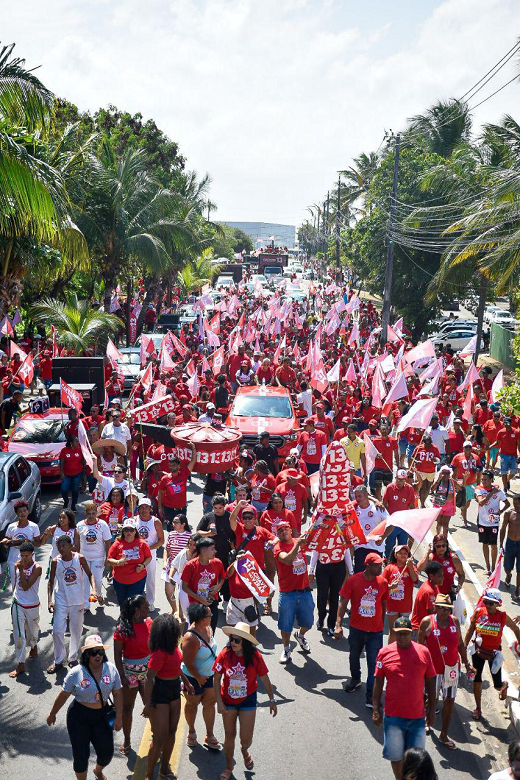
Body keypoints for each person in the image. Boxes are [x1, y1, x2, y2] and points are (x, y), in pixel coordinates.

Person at [46, 634, 123, 780]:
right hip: (79, 717)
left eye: (100, 651)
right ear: (87, 654)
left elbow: (118, 694)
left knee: (106, 753)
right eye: (93, 652)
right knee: (81, 756)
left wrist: (119, 717)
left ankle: (98, 771)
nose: (97, 655)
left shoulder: (111, 669)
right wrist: (52, 714)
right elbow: (63, 695)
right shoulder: (76, 673)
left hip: (102, 716)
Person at [372, 616, 436, 780]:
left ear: (411, 633)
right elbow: (378, 681)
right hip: (393, 717)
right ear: (393, 632)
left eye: (405, 633)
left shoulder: (423, 652)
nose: (402, 637)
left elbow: (430, 681)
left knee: (416, 760)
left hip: (417, 718)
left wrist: (432, 710)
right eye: (399, 633)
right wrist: (375, 709)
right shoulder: (384, 653)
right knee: (396, 757)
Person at [213, 622, 277, 780]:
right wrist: (219, 702)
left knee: (246, 739)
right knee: (229, 736)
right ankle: (228, 766)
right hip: (228, 701)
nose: (233, 643)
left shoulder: (255, 657)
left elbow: (265, 678)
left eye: (237, 640)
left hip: (248, 700)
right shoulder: (225, 653)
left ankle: (244, 750)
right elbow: (216, 678)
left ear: (245, 642)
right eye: (231, 639)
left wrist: (272, 699)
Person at [418, 593, 474, 750]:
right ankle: (427, 720)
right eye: (442, 608)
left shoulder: (454, 621)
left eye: (448, 609)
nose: (445, 611)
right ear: (435, 607)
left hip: (452, 670)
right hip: (433, 671)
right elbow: (419, 647)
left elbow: (460, 644)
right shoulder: (427, 622)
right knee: (432, 699)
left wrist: (467, 664)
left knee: (449, 700)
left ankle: (443, 734)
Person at [142, 614, 194, 780]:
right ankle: (149, 775)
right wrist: (148, 704)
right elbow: (149, 678)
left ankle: (164, 769)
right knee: (159, 737)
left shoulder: (173, 647)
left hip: (174, 690)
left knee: (172, 732)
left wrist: (187, 682)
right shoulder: (159, 653)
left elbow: (177, 667)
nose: (178, 632)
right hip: (161, 692)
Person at [335, 551, 388, 707]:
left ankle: (371, 695)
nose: (380, 568)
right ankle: (356, 678)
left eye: (381, 565)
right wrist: (338, 625)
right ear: (368, 566)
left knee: (374, 664)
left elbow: (384, 603)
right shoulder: (353, 581)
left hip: (375, 632)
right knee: (354, 657)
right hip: (356, 629)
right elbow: (343, 602)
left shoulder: (383, 582)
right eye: (377, 565)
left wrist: (381, 622)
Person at [464, 587, 520, 720]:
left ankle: (504, 685)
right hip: (478, 651)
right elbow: (470, 630)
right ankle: (478, 708)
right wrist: (464, 648)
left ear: (497, 604)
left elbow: (515, 629)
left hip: (494, 654)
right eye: (486, 602)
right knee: (477, 680)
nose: (487, 605)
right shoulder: (479, 612)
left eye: (490, 603)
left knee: (497, 685)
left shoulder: (503, 617)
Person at [47, 535, 95, 674]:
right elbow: (50, 582)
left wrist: (94, 590)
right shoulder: (55, 562)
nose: (61, 549)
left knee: (76, 631)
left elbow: (90, 574)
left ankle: (72, 658)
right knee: (57, 630)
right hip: (61, 600)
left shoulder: (79, 558)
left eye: (64, 546)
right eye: (59, 547)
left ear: (70, 546)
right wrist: (50, 600)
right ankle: (58, 660)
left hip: (77, 600)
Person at [228, 501, 275, 634]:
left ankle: (253, 611)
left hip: (257, 570)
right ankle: (247, 616)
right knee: (244, 593)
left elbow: (274, 538)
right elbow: (231, 519)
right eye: (245, 517)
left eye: (250, 517)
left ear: (255, 518)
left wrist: (272, 542)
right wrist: (239, 506)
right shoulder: (240, 529)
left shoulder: (261, 530)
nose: (247, 520)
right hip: (242, 569)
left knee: (257, 596)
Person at [113, 595, 152, 755]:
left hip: (148, 673)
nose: (149, 610)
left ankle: (156, 737)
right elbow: (117, 655)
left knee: (151, 705)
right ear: (137, 611)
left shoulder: (150, 623)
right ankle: (127, 740)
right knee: (128, 708)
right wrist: (122, 677)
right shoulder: (122, 629)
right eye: (146, 608)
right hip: (129, 674)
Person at [181, 602, 221, 750]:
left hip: (210, 675)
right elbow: (188, 662)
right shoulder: (191, 638)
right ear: (202, 618)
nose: (212, 616)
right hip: (193, 678)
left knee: (210, 704)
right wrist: (198, 677)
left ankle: (209, 735)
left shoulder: (208, 628)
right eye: (210, 615)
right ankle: (191, 732)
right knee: (192, 705)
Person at [273, 521, 314, 663]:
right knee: (286, 624)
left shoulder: (299, 541)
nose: (284, 531)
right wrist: (298, 545)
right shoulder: (278, 548)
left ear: (291, 530)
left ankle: (300, 635)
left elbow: (316, 541)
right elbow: (287, 560)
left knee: (308, 622)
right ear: (278, 534)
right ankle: (286, 649)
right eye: (280, 530)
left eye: (286, 528)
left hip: (304, 590)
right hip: (287, 593)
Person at [308, 515, 348, 636]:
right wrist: (311, 571)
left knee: (335, 597)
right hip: (323, 566)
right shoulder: (322, 526)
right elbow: (315, 550)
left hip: (338, 566)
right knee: (322, 595)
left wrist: (351, 571)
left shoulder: (342, 528)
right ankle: (321, 618)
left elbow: (346, 550)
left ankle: (331, 624)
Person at [9, 541, 42, 678]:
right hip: (18, 604)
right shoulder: (17, 565)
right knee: (19, 635)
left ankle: (33, 646)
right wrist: (14, 597)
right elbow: (16, 584)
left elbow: (26, 586)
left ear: (32, 555)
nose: (24, 558)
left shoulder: (37, 568)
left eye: (27, 556)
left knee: (33, 632)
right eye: (22, 555)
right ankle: (21, 663)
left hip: (32, 605)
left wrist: (21, 570)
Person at [181, 537, 226, 632]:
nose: (215, 551)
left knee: (211, 631)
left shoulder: (217, 563)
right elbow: (184, 587)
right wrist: (200, 598)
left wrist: (219, 586)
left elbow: (222, 577)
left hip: (212, 602)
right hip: (196, 604)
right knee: (197, 632)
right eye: (212, 549)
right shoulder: (190, 566)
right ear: (203, 551)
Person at [107, 519, 152, 606]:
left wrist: (143, 565)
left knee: (133, 605)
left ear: (135, 531)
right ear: (123, 531)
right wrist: (118, 562)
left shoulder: (142, 544)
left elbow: (149, 557)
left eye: (131, 530)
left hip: (138, 580)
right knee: (123, 604)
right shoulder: (117, 544)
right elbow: (109, 560)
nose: (128, 532)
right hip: (120, 580)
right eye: (126, 530)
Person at [76, 501, 112, 609]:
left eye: (93, 513)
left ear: (96, 513)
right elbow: (77, 543)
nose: (91, 516)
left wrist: (107, 558)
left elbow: (108, 542)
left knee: (97, 580)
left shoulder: (103, 525)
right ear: (85, 513)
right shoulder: (80, 525)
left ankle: (99, 595)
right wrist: (77, 557)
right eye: (89, 514)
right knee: (85, 581)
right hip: (84, 558)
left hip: (98, 558)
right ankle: (86, 606)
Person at [475, 469, 509, 575]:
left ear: (491, 480)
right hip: (482, 522)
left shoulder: (499, 491)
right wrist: (492, 493)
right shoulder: (479, 489)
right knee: (485, 544)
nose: (483, 481)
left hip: (493, 522)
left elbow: (507, 503)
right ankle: (488, 567)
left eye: (485, 480)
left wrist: (500, 511)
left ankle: (493, 568)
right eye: (482, 479)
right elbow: (481, 502)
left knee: (493, 545)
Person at [2, 499, 41, 590]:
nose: (22, 513)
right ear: (16, 513)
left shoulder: (34, 527)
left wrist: (28, 542)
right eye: (20, 511)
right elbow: (7, 541)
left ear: (28, 511)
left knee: (28, 585)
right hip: (13, 561)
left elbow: (38, 543)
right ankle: (15, 599)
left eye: (24, 510)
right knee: (15, 584)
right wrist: (5, 541)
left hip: (29, 562)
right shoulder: (11, 527)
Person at [383, 544, 418, 641]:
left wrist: (410, 567)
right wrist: (390, 586)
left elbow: (415, 580)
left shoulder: (411, 567)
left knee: (403, 631)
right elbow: (381, 584)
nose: (403, 555)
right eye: (400, 553)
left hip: (405, 606)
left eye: (405, 553)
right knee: (393, 631)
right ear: (395, 555)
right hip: (392, 605)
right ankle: (391, 649)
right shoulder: (389, 568)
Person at [135, 497, 164, 610]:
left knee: (150, 579)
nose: (144, 510)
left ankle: (150, 602)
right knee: (135, 577)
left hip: (150, 554)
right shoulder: (134, 520)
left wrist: (148, 548)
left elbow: (161, 540)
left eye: (146, 507)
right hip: (136, 553)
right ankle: (136, 602)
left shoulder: (156, 522)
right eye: (141, 507)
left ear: (150, 508)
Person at [351, 484, 387, 573]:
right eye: (356, 496)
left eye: (360, 496)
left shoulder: (378, 508)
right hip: (360, 547)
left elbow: (391, 523)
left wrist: (383, 537)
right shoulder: (354, 508)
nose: (357, 499)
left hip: (376, 547)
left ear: (366, 495)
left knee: (375, 574)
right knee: (360, 574)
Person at [158, 446, 197, 526]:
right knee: (171, 530)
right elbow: (160, 493)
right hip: (169, 510)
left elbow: (193, 461)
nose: (171, 467)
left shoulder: (184, 474)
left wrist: (193, 448)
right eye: (170, 465)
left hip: (182, 509)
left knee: (182, 529)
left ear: (179, 466)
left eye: (173, 465)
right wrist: (160, 507)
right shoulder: (164, 479)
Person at [417, 535, 464, 599]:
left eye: (443, 545)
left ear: (447, 545)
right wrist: (427, 553)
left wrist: (459, 586)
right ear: (434, 546)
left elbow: (461, 574)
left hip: (448, 596)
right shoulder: (431, 557)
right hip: (433, 594)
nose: (441, 548)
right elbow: (419, 568)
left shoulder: (454, 559)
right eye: (438, 546)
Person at [162, 514, 192, 613]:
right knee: (169, 591)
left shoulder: (190, 536)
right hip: (171, 567)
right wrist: (165, 561)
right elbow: (167, 549)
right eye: (173, 522)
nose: (173, 524)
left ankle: (181, 613)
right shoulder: (171, 534)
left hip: (184, 569)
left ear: (183, 524)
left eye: (176, 522)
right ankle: (174, 609)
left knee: (182, 594)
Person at [411, 561, 444, 631]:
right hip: (420, 628)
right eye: (440, 576)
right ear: (431, 576)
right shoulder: (429, 591)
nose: (442, 578)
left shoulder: (434, 585)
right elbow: (432, 612)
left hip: (425, 626)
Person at [500, 494, 520, 599]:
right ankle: (508, 575)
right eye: (514, 503)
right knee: (507, 567)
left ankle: (517, 589)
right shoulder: (509, 513)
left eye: (517, 504)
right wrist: (500, 544)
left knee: (519, 569)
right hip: (510, 543)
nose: (515, 505)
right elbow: (503, 528)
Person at [60, 436, 85, 511]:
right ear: (71, 443)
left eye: (78, 441)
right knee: (64, 489)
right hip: (67, 474)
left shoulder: (80, 450)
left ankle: (73, 505)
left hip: (77, 474)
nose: (78, 443)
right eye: (76, 442)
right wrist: (62, 473)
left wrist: (84, 471)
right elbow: (61, 462)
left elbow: (83, 461)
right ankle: (66, 501)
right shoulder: (64, 450)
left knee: (75, 490)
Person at [430, 466, 456, 537]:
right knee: (439, 523)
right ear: (441, 473)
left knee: (445, 525)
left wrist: (465, 479)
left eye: (448, 473)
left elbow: (461, 487)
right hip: (438, 505)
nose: (446, 475)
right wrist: (438, 479)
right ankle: (438, 537)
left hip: (449, 506)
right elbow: (432, 489)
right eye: (444, 473)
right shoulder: (439, 481)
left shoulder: (452, 481)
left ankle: (445, 540)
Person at [497, 417, 519, 492]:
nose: (506, 425)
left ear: (511, 423)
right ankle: (505, 487)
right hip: (504, 455)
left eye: (507, 423)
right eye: (504, 423)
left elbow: (519, 445)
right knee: (504, 472)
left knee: (513, 472)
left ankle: (507, 480)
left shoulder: (516, 432)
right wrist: (490, 447)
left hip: (513, 456)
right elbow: (497, 442)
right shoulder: (501, 432)